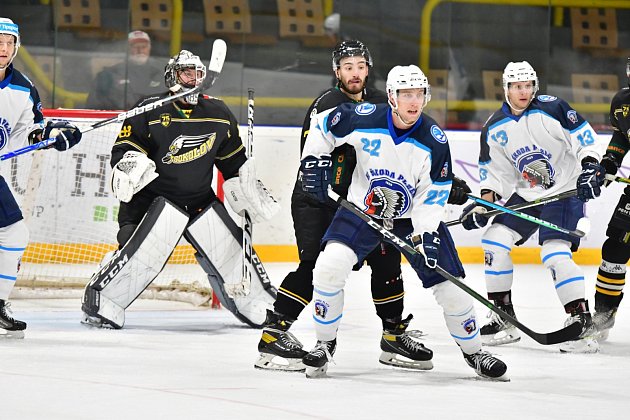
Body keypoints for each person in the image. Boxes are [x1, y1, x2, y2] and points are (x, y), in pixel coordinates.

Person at [255, 41, 473, 373]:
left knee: (387, 262)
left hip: (365, 203)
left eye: (360, 66)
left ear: (368, 69)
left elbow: (401, 154)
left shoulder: (379, 102)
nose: (354, 73)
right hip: (320, 199)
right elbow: (318, 148)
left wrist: (446, 181)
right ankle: (274, 333)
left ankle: (392, 334)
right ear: (337, 72)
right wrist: (316, 168)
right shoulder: (329, 104)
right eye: (347, 67)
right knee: (317, 265)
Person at [298, 64, 507, 380]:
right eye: (406, 94)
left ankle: (475, 353)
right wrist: (313, 159)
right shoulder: (364, 116)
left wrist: (425, 235)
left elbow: (433, 195)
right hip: (362, 211)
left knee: (451, 289)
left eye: (419, 94)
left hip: (411, 220)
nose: (414, 101)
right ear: (392, 97)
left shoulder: (434, 139)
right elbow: (323, 124)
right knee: (329, 267)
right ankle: (324, 345)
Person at [81, 49, 279, 329]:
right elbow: (124, 150)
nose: (194, 78)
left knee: (228, 252)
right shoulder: (148, 109)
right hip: (151, 201)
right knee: (140, 256)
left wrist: (245, 186)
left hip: (198, 199)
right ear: (172, 76)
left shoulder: (218, 113)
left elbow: (232, 161)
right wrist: (131, 164)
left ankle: (255, 300)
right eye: (187, 72)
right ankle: (102, 298)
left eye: (198, 73)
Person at [458, 61, 607, 353]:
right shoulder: (494, 127)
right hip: (529, 196)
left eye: (527, 86)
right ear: (506, 89)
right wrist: (483, 206)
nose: (523, 92)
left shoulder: (552, 108)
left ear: (534, 87)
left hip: (565, 191)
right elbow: (496, 177)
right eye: (517, 86)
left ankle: (581, 322)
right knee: (495, 239)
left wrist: (590, 166)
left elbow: (584, 139)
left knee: (553, 250)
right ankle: (504, 318)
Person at [0, 17, 82, 338]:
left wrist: (57, 133)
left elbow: (33, 130)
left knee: (15, 234)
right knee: (13, 232)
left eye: (9, 43)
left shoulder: (23, 88)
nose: (3, 48)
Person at [590, 57, 630, 341]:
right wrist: (608, 166)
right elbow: (621, 139)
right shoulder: (623, 103)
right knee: (615, 246)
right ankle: (604, 314)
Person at [86, 30, 163, 110]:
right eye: (135, 46)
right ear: (127, 49)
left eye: (144, 46)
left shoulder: (161, 75)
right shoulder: (107, 76)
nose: (140, 50)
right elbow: (93, 110)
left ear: (149, 48)